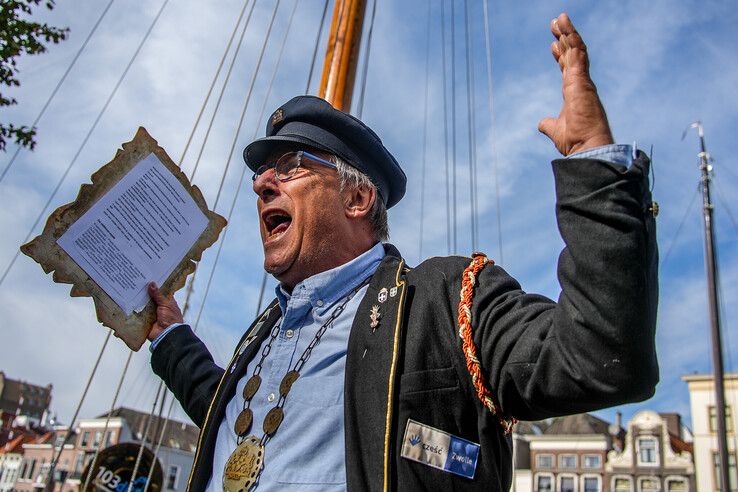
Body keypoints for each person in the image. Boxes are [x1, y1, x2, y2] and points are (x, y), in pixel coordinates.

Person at [147, 13, 658, 491]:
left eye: (290, 165)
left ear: (357, 197)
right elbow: (227, 413)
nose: (262, 184)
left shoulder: (443, 302)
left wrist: (594, 166)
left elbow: (597, 358)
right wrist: (170, 337)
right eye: (262, 174)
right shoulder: (265, 334)